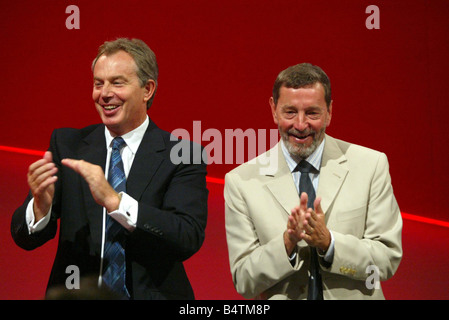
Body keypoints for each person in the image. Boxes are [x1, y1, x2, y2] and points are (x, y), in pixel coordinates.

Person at [11, 38, 208, 300]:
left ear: (147, 89)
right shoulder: (67, 145)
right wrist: (40, 207)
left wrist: (117, 203)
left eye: (117, 82)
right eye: (98, 83)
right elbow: (24, 239)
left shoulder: (183, 155)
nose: (104, 93)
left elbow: (186, 236)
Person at [224, 63, 402, 300]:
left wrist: (330, 243)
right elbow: (244, 281)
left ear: (329, 111)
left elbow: (387, 260)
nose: (300, 125)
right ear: (273, 109)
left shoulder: (371, 166)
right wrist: (288, 242)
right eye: (290, 112)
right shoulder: (241, 182)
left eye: (312, 113)